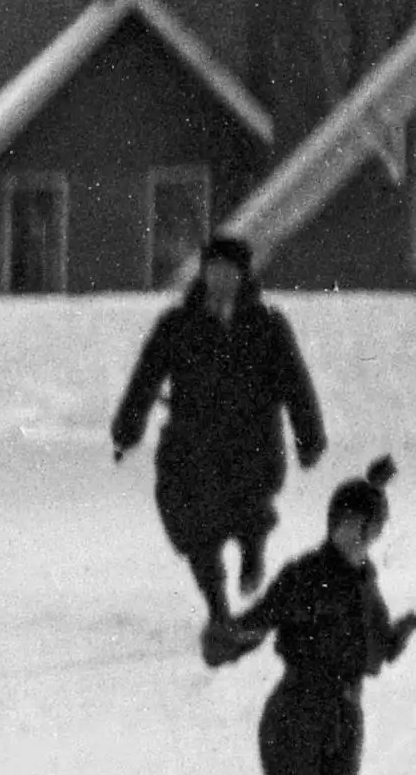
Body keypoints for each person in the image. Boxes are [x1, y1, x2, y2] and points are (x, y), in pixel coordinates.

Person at [203, 456, 398, 775]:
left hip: (344, 715)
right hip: (297, 713)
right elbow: (256, 623)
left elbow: (378, 654)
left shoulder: (364, 585)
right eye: (347, 525)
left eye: (365, 528)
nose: (355, 536)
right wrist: (226, 639)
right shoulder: (306, 576)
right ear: (332, 524)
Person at [114, 228, 329, 616]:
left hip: (252, 445)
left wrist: (309, 438)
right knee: (195, 528)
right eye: (212, 269)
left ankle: (252, 555)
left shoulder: (267, 325)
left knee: (249, 513)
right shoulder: (177, 325)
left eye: (229, 271)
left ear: (244, 276)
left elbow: (295, 384)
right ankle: (218, 610)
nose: (220, 278)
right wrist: (127, 431)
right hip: (191, 446)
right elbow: (146, 378)